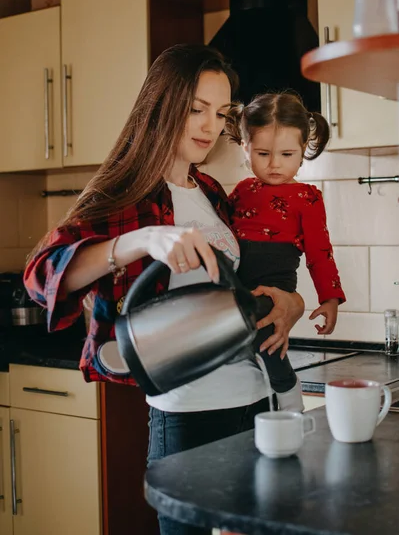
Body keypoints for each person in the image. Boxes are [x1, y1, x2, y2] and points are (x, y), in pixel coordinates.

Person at [23, 45, 304, 535]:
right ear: (162, 104)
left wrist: (291, 302)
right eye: (196, 109)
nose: (209, 125)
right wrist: (138, 241)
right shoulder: (125, 194)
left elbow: (244, 285)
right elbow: (42, 275)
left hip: (258, 403)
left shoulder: (213, 193)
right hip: (188, 416)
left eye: (221, 113)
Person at [229, 92, 346, 413]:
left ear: (304, 150)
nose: (274, 163)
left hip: (276, 284)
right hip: (239, 282)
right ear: (245, 148)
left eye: (286, 153)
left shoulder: (307, 198)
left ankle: (290, 396)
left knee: (268, 340)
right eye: (263, 153)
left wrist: (330, 299)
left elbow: (320, 252)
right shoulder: (240, 191)